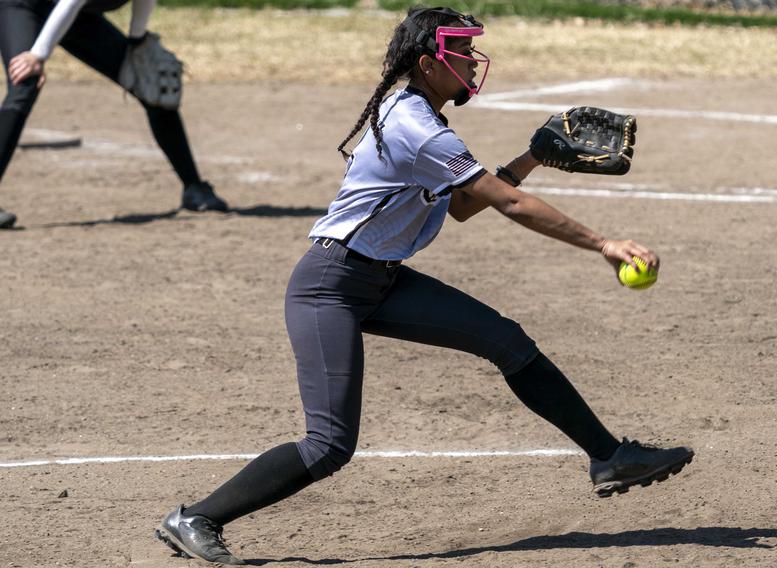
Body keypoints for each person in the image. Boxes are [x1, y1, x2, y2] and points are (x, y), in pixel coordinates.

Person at [155, 6, 694, 565]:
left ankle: (609, 457)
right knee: (330, 444)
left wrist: (531, 156)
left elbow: (462, 205)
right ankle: (195, 517)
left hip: (381, 280)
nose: (470, 59)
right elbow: (505, 202)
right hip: (330, 286)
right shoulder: (414, 125)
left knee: (507, 341)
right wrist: (602, 243)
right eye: (459, 50)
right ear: (427, 63)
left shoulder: (421, 116)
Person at [0, 0, 228, 229]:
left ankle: (194, 188)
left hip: (78, 17)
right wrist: (38, 55)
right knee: (24, 84)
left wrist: (137, 42)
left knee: (148, 80)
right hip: (23, 5)